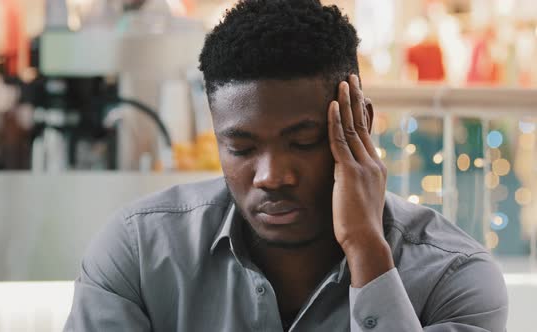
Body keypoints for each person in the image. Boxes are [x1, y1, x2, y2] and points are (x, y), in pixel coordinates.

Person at [64, 1, 508, 331]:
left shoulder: (455, 277)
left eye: (303, 141)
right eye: (240, 148)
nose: (272, 175)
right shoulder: (140, 252)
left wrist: (366, 250)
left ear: (362, 124)